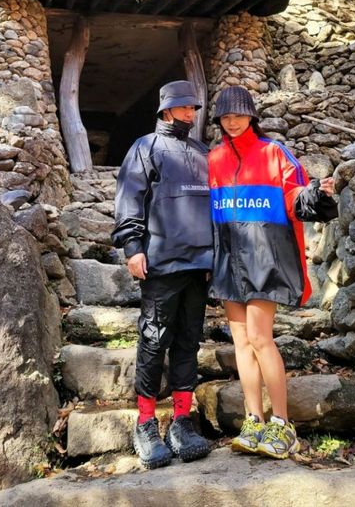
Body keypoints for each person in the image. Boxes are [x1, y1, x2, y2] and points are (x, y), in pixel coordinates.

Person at [208, 85, 338, 459]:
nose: (232, 121)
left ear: (252, 115)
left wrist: (319, 194)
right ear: (218, 120)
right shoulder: (214, 158)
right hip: (229, 261)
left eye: (238, 114)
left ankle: (281, 424)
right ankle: (253, 420)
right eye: (225, 116)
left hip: (265, 259)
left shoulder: (273, 152)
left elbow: (295, 197)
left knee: (261, 339)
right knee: (241, 344)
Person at [113, 80, 213, 469]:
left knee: (188, 341)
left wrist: (214, 258)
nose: (191, 115)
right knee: (154, 341)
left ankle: (182, 421)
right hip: (161, 260)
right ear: (167, 110)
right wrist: (132, 247)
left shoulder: (204, 152)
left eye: (193, 109)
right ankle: (145, 423)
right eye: (185, 108)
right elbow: (129, 197)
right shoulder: (145, 147)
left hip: (199, 264)